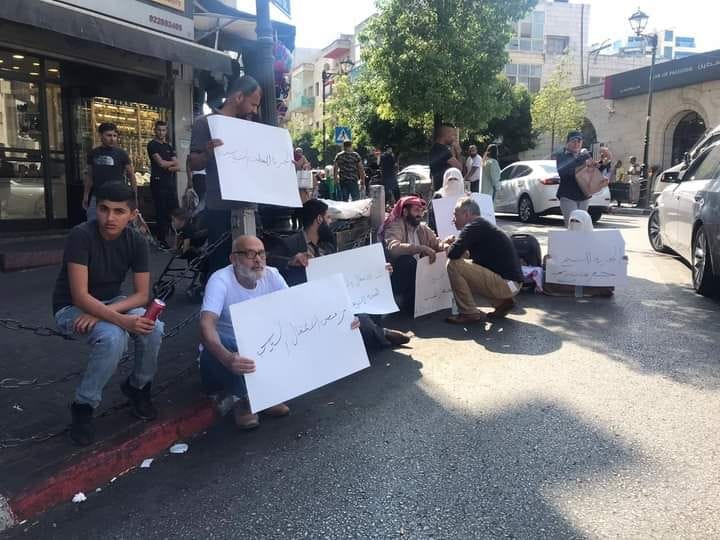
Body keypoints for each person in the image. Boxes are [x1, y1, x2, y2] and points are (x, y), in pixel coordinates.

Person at [198, 234, 362, 429]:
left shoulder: (272, 274)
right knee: (224, 343)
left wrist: (341, 319)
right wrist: (227, 358)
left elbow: (297, 309)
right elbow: (205, 325)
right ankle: (243, 400)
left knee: (280, 333)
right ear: (234, 259)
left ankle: (265, 395)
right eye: (250, 254)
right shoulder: (220, 280)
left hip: (261, 347)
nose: (258, 260)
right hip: (225, 356)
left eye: (261, 253)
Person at [52, 182, 164, 445]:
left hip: (111, 303)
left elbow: (141, 295)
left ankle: (138, 387)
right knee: (114, 337)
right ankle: (83, 406)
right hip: (71, 307)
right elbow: (79, 296)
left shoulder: (136, 240)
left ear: (132, 215)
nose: (110, 218)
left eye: (119, 211)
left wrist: (105, 313)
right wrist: (118, 319)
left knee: (153, 326)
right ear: (95, 209)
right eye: (103, 209)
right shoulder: (81, 235)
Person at [269, 199, 411, 349]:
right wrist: (291, 260)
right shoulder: (291, 244)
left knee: (366, 312)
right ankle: (382, 334)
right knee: (359, 322)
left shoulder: (327, 245)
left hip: (334, 298)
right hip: (309, 307)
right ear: (319, 219)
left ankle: (374, 333)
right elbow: (268, 260)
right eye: (328, 217)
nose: (330, 222)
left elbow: (346, 270)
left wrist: (378, 272)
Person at [189, 75, 262, 275]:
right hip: (220, 208)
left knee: (252, 266)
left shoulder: (251, 128)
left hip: (249, 208)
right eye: (253, 104)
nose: (254, 110)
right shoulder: (206, 124)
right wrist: (207, 153)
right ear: (239, 97)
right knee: (222, 266)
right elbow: (192, 162)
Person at [444, 197, 523, 324]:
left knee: (453, 265)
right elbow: (467, 257)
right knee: (464, 265)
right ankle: (503, 303)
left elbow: (453, 254)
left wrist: (445, 245)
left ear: (466, 214)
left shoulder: (473, 226)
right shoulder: (482, 225)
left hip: (507, 284)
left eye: (455, 215)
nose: (453, 220)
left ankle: (468, 313)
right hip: (512, 285)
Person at [382, 196, 446, 315]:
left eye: (421, 211)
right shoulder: (396, 225)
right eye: (416, 210)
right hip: (396, 279)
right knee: (407, 261)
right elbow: (393, 248)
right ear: (405, 212)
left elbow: (437, 244)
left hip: (420, 278)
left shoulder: (422, 228)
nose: (420, 214)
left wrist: (447, 246)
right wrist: (420, 248)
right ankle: (402, 302)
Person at [554, 131, 611, 226]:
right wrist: (586, 162)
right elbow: (565, 172)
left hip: (583, 196)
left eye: (579, 141)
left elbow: (594, 171)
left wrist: (604, 163)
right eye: (573, 141)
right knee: (573, 225)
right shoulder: (562, 155)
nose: (576, 144)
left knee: (581, 226)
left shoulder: (585, 156)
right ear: (567, 143)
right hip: (568, 196)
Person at [83, 123, 135, 221]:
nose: (112, 139)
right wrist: (86, 196)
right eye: (109, 135)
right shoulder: (93, 153)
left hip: (117, 195)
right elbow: (89, 175)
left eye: (114, 136)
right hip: (98, 195)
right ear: (101, 135)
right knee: (93, 221)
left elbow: (131, 175)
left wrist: (134, 196)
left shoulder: (121, 154)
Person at [147, 121, 180, 249]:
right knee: (161, 211)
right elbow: (160, 163)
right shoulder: (152, 145)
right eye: (159, 130)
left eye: (164, 130)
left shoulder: (168, 146)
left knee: (175, 211)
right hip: (157, 181)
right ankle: (162, 241)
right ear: (155, 130)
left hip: (169, 183)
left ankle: (178, 240)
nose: (161, 133)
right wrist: (169, 164)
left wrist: (168, 165)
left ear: (167, 131)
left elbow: (178, 166)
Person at [429, 123, 463, 191]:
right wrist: (458, 152)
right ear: (446, 134)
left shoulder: (436, 148)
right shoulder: (442, 150)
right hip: (445, 191)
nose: (454, 138)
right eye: (453, 135)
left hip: (439, 188)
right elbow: (459, 168)